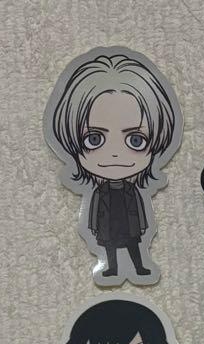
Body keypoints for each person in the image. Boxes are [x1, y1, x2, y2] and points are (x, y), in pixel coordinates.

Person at [46, 50, 181, 282]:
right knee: (110, 248)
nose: (116, 153)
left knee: (133, 245)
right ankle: (111, 268)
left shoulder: (132, 190)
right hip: (107, 226)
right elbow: (93, 211)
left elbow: (140, 210)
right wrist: (93, 227)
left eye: (136, 140)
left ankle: (139, 266)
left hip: (129, 226)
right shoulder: (99, 192)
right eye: (94, 139)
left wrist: (142, 226)